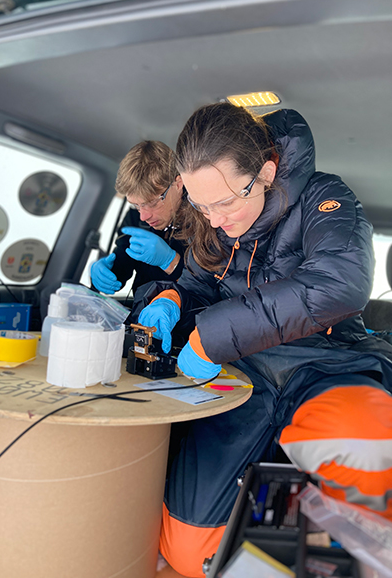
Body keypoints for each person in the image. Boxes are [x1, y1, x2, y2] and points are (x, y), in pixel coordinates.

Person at [137, 103, 392, 577]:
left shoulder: (324, 197)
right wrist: (170, 296)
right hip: (243, 375)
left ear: (267, 172)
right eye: (200, 204)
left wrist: (213, 337)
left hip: (325, 362)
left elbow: (339, 284)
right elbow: (197, 283)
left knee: (368, 442)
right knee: (192, 556)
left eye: (226, 203)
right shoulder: (216, 226)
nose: (213, 220)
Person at [90, 141, 186, 300]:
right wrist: (106, 273)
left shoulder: (206, 216)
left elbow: (211, 284)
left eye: (152, 203)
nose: (144, 216)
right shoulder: (135, 218)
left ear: (178, 184)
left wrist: (172, 262)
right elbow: (122, 264)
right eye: (136, 205)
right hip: (141, 318)